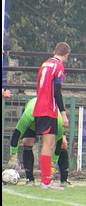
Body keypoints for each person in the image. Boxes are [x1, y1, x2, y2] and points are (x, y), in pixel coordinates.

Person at [8, 96, 70, 186]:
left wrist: (53, 164)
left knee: (63, 144)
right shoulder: (28, 116)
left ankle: (64, 180)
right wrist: (13, 156)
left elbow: (58, 142)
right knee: (27, 141)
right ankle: (29, 179)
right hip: (33, 120)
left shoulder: (57, 120)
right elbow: (16, 135)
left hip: (50, 120)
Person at [33, 42, 70, 189]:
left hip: (39, 106)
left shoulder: (45, 64)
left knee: (48, 143)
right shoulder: (58, 66)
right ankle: (45, 181)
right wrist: (63, 113)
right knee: (48, 144)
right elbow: (57, 90)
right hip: (49, 108)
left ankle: (46, 179)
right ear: (66, 55)